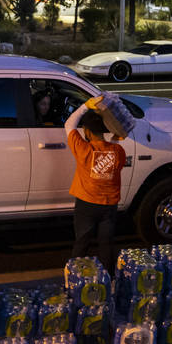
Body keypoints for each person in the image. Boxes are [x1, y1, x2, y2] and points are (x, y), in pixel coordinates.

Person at [66, 95, 127, 274]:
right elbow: (112, 157)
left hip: (86, 204)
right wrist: (115, 139)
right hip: (109, 205)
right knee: (106, 244)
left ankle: (75, 280)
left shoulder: (83, 150)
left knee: (82, 243)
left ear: (87, 131)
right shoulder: (118, 151)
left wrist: (85, 106)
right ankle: (108, 281)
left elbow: (69, 124)